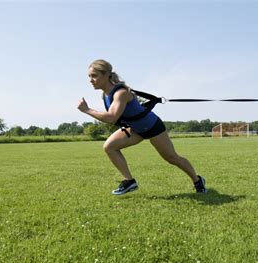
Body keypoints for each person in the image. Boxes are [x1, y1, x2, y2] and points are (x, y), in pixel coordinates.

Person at [77, 59, 207, 195]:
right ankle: (129, 181)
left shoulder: (120, 93)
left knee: (171, 158)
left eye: (94, 75)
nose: (91, 80)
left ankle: (197, 180)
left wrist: (87, 110)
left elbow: (112, 117)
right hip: (136, 129)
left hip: (153, 127)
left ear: (107, 75)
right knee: (109, 147)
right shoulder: (106, 95)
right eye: (89, 76)